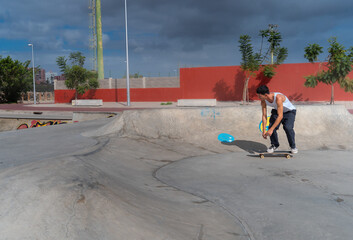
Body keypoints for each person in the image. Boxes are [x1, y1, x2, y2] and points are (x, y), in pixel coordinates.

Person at [256, 85, 298, 154]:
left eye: (260, 96)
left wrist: (271, 130)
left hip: (289, 112)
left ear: (265, 95)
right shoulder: (263, 101)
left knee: (287, 127)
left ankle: (293, 146)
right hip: (277, 111)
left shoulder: (278, 97)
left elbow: (280, 116)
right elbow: (264, 115)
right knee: (271, 126)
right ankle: (274, 145)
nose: (259, 98)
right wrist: (264, 130)